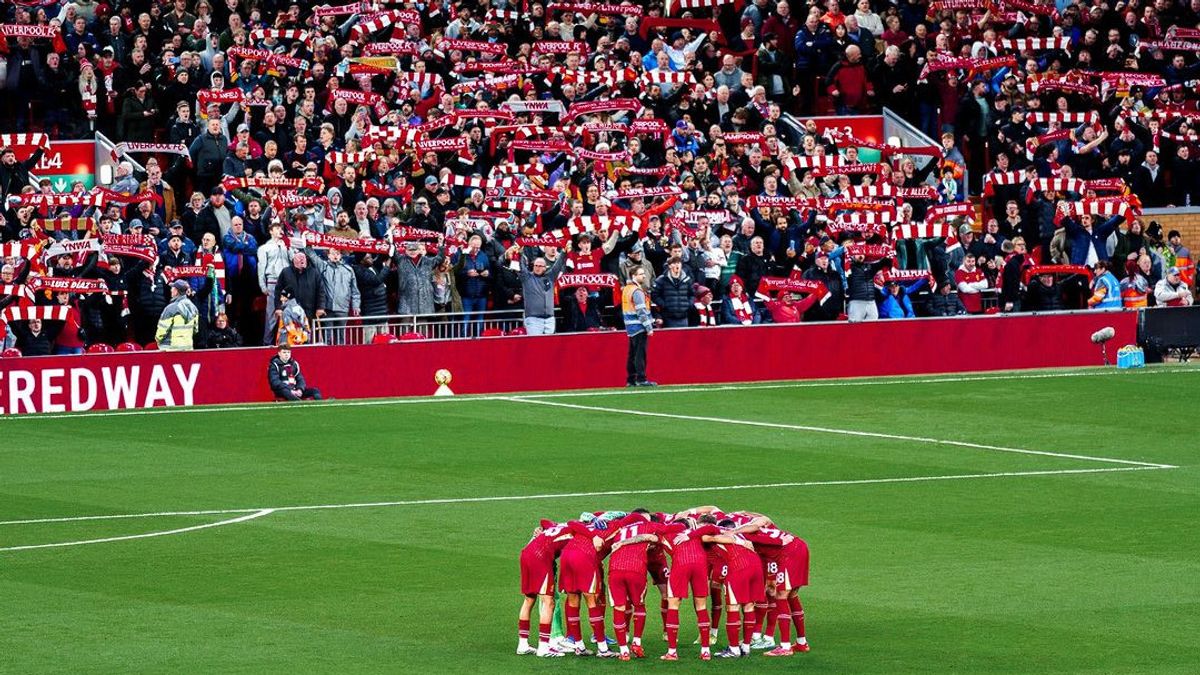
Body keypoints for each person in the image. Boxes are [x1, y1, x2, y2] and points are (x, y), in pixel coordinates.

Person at [515, 245, 567, 335]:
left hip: (550, 319)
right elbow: (521, 266)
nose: (537, 268)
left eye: (540, 266)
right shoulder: (527, 277)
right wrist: (520, 253)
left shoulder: (550, 277)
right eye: (536, 265)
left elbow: (558, 265)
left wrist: (564, 252)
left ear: (545, 267)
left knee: (550, 346)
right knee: (535, 345)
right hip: (533, 319)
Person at [622, 267, 655, 387]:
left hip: (630, 326)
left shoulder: (627, 289)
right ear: (633, 276)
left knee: (632, 354)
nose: (644, 276)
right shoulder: (637, 291)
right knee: (640, 354)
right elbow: (641, 311)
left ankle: (631, 379)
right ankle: (641, 378)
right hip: (639, 326)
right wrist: (649, 327)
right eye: (641, 274)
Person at [155, 280, 199, 351]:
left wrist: (158, 340)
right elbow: (195, 330)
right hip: (188, 348)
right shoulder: (194, 308)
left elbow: (161, 332)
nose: (171, 290)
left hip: (170, 350)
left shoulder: (170, 308)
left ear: (176, 291)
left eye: (172, 288)